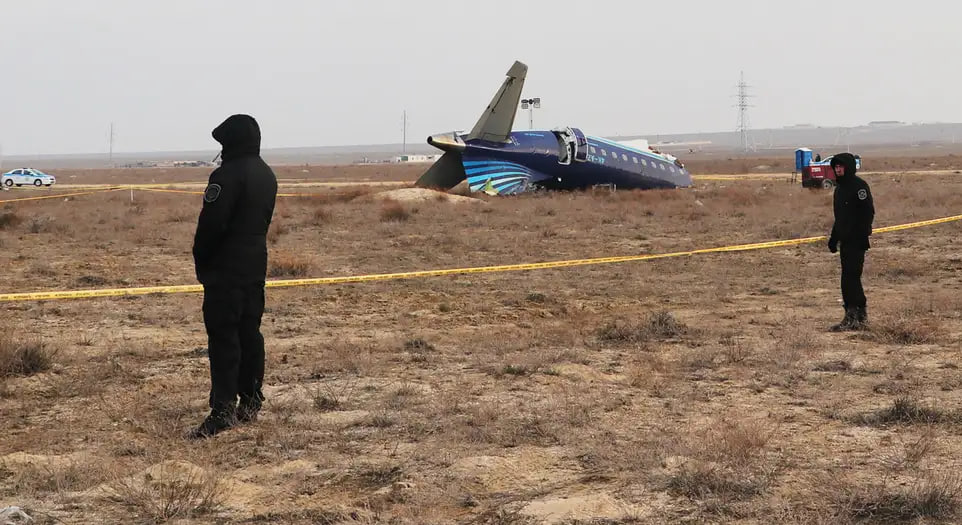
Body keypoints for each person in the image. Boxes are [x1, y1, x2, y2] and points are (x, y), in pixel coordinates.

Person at [189, 114, 278, 439]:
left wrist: (202, 260)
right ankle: (251, 399)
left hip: (226, 269)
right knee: (249, 333)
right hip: (255, 265)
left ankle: (223, 410)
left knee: (224, 337)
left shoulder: (226, 176)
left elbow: (212, 226)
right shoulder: (267, 174)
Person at [827, 152, 874, 332]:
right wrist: (834, 239)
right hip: (845, 241)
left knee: (851, 278)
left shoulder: (859, 186)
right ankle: (855, 315)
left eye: (841, 166)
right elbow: (840, 218)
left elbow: (868, 212)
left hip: (857, 241)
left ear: (848, 167)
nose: (838, 169)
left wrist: (861, 235)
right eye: (836, 167)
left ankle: (856, 316)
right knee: (848, 278)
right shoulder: (839, 189)